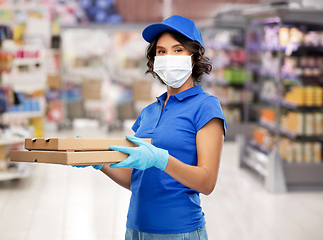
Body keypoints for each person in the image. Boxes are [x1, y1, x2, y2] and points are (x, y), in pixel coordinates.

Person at [75, 15, 227, 240]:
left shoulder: (206, 107)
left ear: (194, 57)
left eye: (177, 50)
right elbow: (135, 179)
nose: (168, 57)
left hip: (179, 231)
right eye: (161, 51)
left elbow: (207, 182)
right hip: (136, 228)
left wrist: (161, 160)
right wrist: (98, 160)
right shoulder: (148, 112)